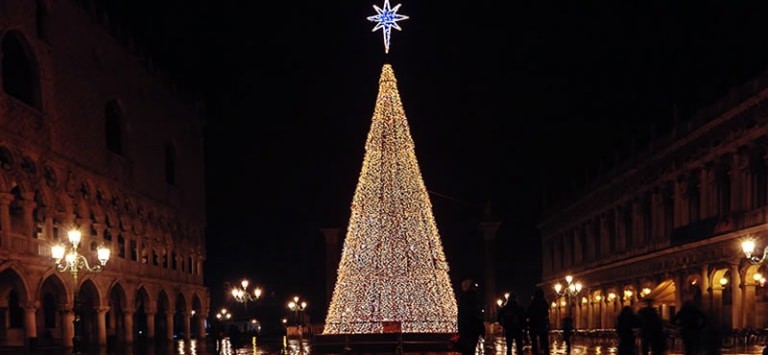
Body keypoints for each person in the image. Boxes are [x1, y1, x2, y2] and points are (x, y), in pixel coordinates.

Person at [457, 279, 485, 355]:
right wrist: (481, 329)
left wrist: (460, 330)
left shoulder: (464, 298)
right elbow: (479, 315)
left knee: (466, 350)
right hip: (474, 330)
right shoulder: (476, 298)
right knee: (471, 349)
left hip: (466, 330)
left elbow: (462, 316)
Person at [527, 287, 550, 355]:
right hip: (542, 325)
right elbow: (547, 313)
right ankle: (545, 352)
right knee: (545, 342)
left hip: (533, 325)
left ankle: (536, 353)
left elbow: (528, 313)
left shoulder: (533, 303)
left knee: (534, 343)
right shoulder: (544, 302)